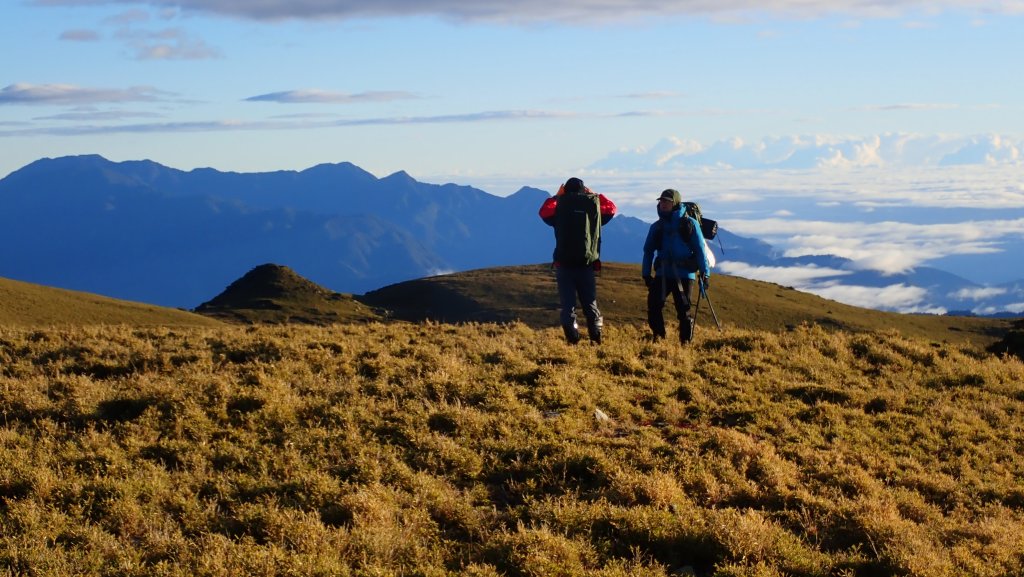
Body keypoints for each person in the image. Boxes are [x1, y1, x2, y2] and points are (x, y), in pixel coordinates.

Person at [539, 177, 617, 344]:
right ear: (584, 190)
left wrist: (556, 197)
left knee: (568, 305)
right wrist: (596, 196)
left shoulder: (560, 209)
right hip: (586, 265)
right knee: (590, 303)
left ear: (565, 190)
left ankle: (573, 340)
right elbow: (611, 209)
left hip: (564, 265)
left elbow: (544, 212)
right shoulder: (593, 210)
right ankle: (596, 340)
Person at [642, 189, 711, 344]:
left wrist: (705, 274)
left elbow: (700, 250)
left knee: (684, 311)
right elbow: (648, 251)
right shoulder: (657, 227)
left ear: (676, 203)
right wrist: (646, 274)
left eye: (667, 201)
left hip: (685, 274)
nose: (663, 204)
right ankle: (659, 337)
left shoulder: (689, 224)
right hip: (663, 273)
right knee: (653, 305)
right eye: (661, 201)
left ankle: (685, 342)